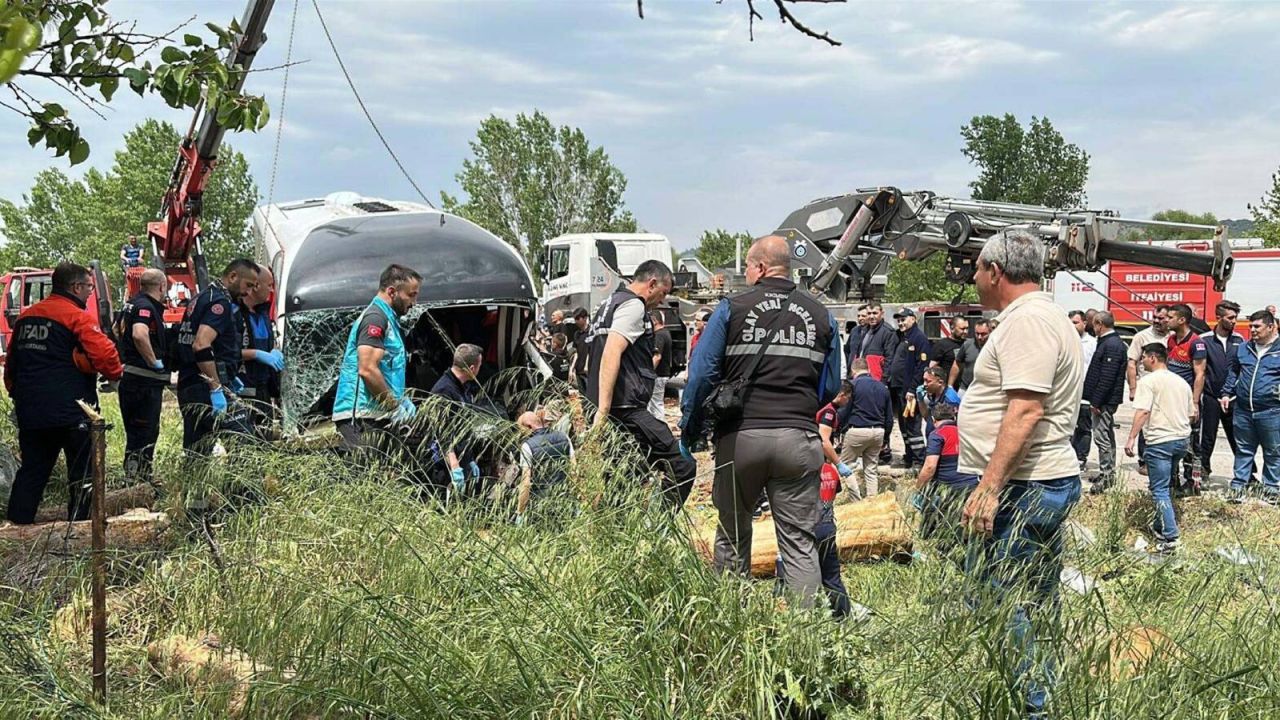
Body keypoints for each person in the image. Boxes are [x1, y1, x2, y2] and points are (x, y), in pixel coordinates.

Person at [958, 229, 1083, 719]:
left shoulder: (1028, 322)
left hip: (1024, 487)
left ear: (996, 271)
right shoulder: (1038, 316)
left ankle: (1032, 707)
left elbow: (1026, 409)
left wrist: (989, 488)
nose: (972, 277)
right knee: (1031, 598)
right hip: (1033, 483)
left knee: (1011, 600)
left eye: (977, 268)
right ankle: (1034, 695)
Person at [681, 235, 840, 606]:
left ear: (761, 267)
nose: (748, 275)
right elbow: (831, 384)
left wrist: (690, 430)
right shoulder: (821, 315)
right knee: (800, 544)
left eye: (749, 268)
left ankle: (732, 631)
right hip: (799, 440)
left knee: (733, 536)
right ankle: (805, 639)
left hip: (741, 441)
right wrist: (796, 409)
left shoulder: (731, 308)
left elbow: (702, 373)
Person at [4, 263, 123, 524]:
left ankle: (15, 529)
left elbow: (11, 366)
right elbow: (107, 356)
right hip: (74, 412)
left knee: (32, 472)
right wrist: (114, 375)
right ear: (76, 287)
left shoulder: (26, 317)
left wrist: (21, 396)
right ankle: (79, 532)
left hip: (31, 412)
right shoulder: (75, 317)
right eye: (90, 287)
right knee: (82, 475)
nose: (91, 293)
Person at [590, 260, 696, 506]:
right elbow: (611, 352)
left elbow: (591, 361)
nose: (663, 300)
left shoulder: (606, 305)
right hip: (626, 410)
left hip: (609, 409)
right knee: (682, 466)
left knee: (624, 479)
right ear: (652, 284)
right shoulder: (632, 306)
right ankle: (659, 527)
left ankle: (623, 534)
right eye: (664, 292)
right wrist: (603, 411)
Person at [332, 264, 421, 450]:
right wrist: (394, 407)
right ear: (392, 292)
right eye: (411, 295)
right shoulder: (375, 318)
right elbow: (367, 369)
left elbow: (387, 370)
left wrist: (401, 399)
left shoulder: (390, 320)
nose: (414, 302)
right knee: (366, 476)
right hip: (361, 416)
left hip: (377, 413)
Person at [175, 259, 259, 455]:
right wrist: (216, 387)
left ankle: (195, 485)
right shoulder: (220, 302)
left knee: (197, 453)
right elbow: (201, 344)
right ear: (232, 277)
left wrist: (230, 372)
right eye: (248, 285)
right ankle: (242, 487)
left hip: (189, 385)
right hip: (206, 388)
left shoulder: (201, 297)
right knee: (244, 448)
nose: (248, 292)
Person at [1124, 343, 1193, 553]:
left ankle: (1170, 537)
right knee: (1167, 484)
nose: (1142, 361)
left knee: (1159, 489)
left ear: (1153, 358)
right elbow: (1191, 413)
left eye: (1144, 357)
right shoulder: (1181, 382)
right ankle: (1159, 525)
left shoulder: (1148, 381)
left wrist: (1131, 438)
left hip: (1160, 441)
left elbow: (1143, 411)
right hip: (1181, 439)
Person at [1222, 309, 1280, 504]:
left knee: (1273, 451)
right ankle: (1239, 487)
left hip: (1271, 411)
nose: (1252, 330)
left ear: (1271, 327)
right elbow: (1233, 373)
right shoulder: (1244, 348)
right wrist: (1226, 393)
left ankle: (1270, 490)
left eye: (1257, 326)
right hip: (1244, 410)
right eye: (1250, 326)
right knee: (1244, 450)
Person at [118, 268, 170, 485]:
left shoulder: (131, 304)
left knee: (135, 435)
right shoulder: (145, 307)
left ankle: (135, 478)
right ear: (161, 286)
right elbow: (139, 334)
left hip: (130, 378)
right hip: (143, 381)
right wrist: (153, 361)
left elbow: (115, 328)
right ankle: (138, 482)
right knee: (144, 434)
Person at [1201, 300, 1254, 483]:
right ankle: (1203, 471)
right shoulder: (1205, 340)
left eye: (1235, 317)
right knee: (1207, 437)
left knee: (1238, 438)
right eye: (1230, 317)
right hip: (1210, 397)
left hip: (1233, 398)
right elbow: (1199, 369)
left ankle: (1248, 475)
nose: (1234, 321)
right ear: (1219, 317)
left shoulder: (1240, 340)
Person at [912, 403, 977, 547]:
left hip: (950, 490)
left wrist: (918, 490)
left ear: (934, 419)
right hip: (973, 486)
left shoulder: (937, 435)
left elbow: (929, 467)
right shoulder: (966, 432)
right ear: (954, 417)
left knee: (946, 532)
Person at [1082, 312, 1127, 493]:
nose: (1093, 328)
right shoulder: (1108, 342)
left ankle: (1107, 474)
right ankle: (1106, 473)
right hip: (1102, 399)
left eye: (1094, 325)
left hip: (1104, 401)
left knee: (1102, 438)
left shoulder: (1112, 345)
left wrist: (1097, 401)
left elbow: (1107, 377)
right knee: (1106, 435)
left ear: (1100, 324)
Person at [236, 265, 283, 440]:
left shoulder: (262, 313)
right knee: (245, 446)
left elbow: (269, 342)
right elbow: (225, 351)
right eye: (269, 285)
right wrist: (256, 354)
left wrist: (274, 351)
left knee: (267, 441)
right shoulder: (235, 313)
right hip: (242, 389)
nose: (271, 289)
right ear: (255, 286)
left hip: (263, 390)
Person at [1165, 303, 1207, 495]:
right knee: (1171, 438)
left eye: (1171, 317)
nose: (1167, 320)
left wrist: (1195, 403)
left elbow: (1200, 374)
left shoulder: (1196, 343)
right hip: (1171, 401)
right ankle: (1172, 480)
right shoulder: (1171, 340)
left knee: (1191, 442)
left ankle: (1192, 482)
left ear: (1182, 320)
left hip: (1188, 401)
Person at [839, 358, 895, 499]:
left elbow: (845, 411)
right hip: (878, 432)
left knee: (846, 466)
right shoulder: (882, 387)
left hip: (857, 430)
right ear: (868, 369)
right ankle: (872, 500)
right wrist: (886, 438)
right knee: (871, 470)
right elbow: (889, 418)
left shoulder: (852, 386)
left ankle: (855, 500)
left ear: (853, 371)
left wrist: (839, 430)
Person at [1126, 305, 1172, 475]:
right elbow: (1132, 363)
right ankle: (1144, 460)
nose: (1156, 321)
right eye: (1155, 317)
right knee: (1144, 423)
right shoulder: (1142, 336)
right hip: (1147, 387)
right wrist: (1133, 388)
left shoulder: (1173, 337)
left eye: (1161, 318)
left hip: (1167, 388)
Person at [887, 307, 931, 469]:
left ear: (913, 319)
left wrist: (912, 389)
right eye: (898, 320)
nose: (901, 323)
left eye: (903, 319)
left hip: (909, 391)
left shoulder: (919, 339)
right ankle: (909, 455)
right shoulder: (901, 337)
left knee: (912, 425)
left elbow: (921, 366)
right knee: (903, 425)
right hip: (897, 387)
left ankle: (919, 461)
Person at [514, 410, 574, 521]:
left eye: (521, 430)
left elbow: (526, 483)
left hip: (541, 506)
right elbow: (575, 471)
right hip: (566, 500)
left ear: (529, 426)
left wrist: (520, 512)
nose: (520, 434)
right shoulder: (564, 437)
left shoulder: (527, 446)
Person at [1069, 310, 1097, 471]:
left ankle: (1081, 458)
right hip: (1069, 391)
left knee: (1084, 427)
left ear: (1084, 323)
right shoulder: (1065, 341)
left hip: (1085, 393)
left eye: (1075, 322)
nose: (1072, 326)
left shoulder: (1092, 344)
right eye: (1070, 322)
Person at [851, 302, 896, 381]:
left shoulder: (888, 332)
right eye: (869, 313)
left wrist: (884, 381)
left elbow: (889, 360)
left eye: (875, 313)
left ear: (882, 314)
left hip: (876, 380)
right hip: (860, 377)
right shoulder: (864, 330)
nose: (871, 316)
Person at [817, 381, 854, 473]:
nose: (848, 401)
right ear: (842, 395)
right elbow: (824, 440)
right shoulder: (829, 412)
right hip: (819, 457)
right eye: (848, 398)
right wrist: (838, 463)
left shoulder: (830, 408)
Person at [914, 365, 961, 438]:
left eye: (928, 381)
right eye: (924, 380)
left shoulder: (950, 400)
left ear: (940, 382)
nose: (924, 384)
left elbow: (953, 427)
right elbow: (927, 417)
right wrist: (920, 400)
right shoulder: (933, 394)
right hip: (933, 438)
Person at [949, 319, 990, 394]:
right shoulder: (967, 345)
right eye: (977, 334)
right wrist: (950, 386)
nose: (980, 337)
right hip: (965, 389)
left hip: (986, 390)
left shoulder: (995, 347)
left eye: (983, 334)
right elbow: (957, 364)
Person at [649, 312, 674, 420]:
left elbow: (657, 356)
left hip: (658, 374)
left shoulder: (659, 335)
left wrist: (649, 372)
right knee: (654, 404)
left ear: (654, 321)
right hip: (662, 374)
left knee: (655, 405)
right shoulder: (666, 333)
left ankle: (659, 427)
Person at [929, 315, 968, 384]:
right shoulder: (942, 345)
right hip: (948, 386)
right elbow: (932, 367)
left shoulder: (968, 344)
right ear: (952, 328)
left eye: (967, 328)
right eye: (962, 329)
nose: (965, 331)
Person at [568, 307, 591, 394]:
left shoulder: (591, 332)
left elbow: (591, 350)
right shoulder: (577, 334)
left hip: (588, 371)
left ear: (585, 318)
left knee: (589, 396)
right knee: (582, 395)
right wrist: (572, 368)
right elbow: (576, 352)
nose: (576, 321)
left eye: (578, 318)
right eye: (575, 319)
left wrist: (587, 366)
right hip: (579, 369)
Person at [844, 304, 869, 376]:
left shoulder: (872, 332)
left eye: (863, 316)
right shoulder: (854, 331)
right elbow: (847, 350)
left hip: (865, 371)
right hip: (852, 371)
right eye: (858, 316)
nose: (860, 318)